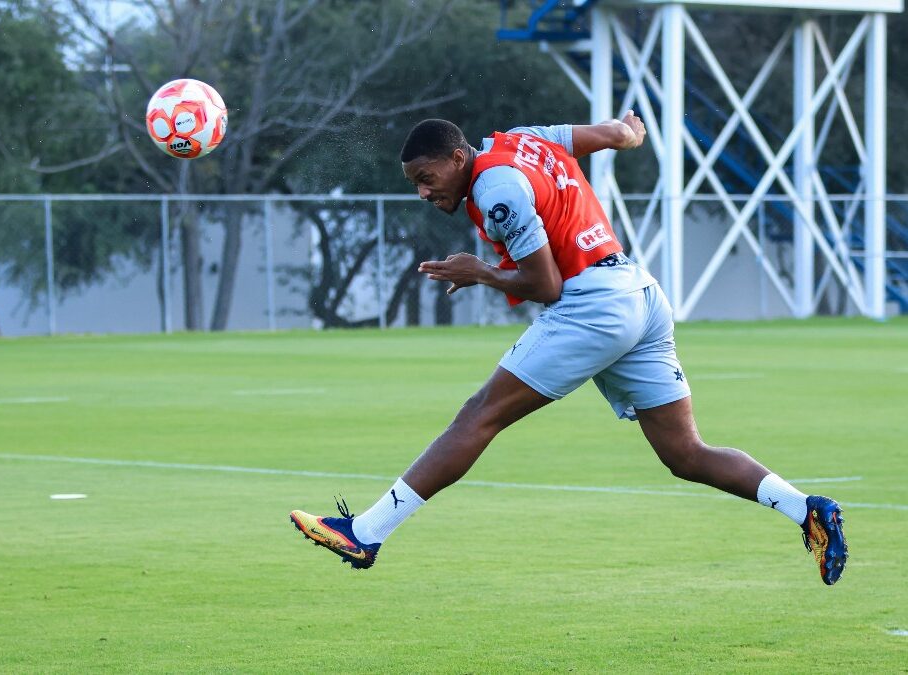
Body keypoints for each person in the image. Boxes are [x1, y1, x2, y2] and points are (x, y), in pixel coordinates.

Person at [290, 112, 848, 585]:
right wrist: (630, 132)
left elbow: (546, 286)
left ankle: (364, 534)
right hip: (639, 294)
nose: (423, 191)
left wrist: (480, 272)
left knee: (478, 416)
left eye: (426, 176)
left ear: (458, 157)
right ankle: (807, 510)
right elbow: (607, 136)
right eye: (414, 182)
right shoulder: (524, 139)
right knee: (686, 455)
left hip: (593, 305)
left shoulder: (495, 188)